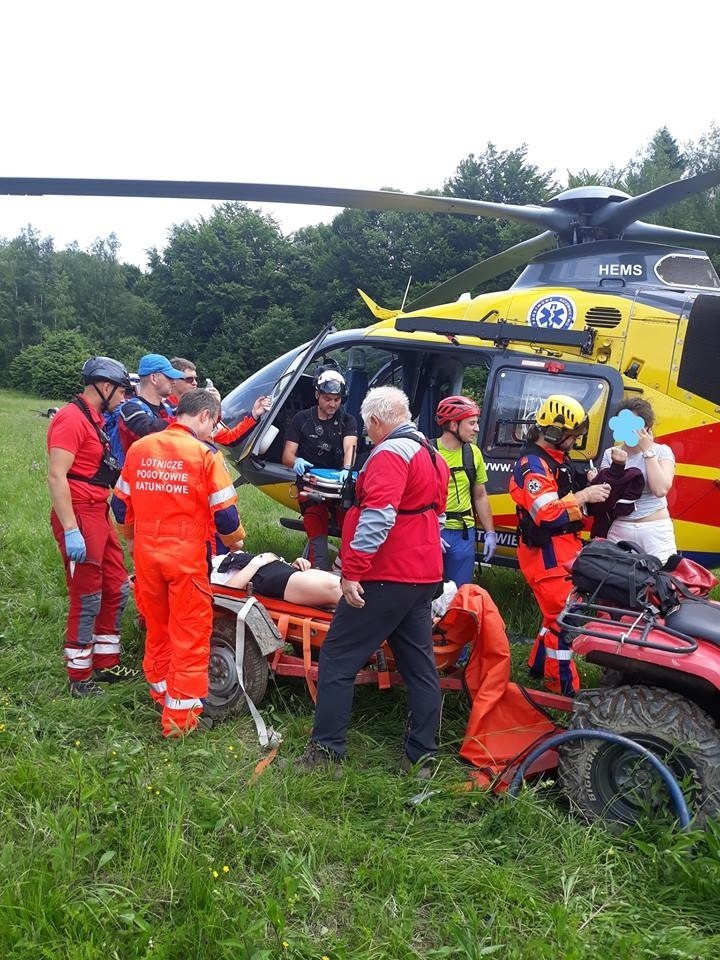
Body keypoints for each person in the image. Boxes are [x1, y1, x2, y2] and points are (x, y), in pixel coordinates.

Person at [295, 386, 451, 776]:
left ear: (377, 421)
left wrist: (352, 569)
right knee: (419, 667)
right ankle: (421, 756)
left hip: (386, 575)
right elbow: (440, 515)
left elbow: (378, 516)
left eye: (367, 426)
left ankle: (326, 753)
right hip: (422, 574)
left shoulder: (388, 455)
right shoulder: (433, 455)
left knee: (338, 658)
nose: (367, 434)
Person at [112, 389, 246, 737]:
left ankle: (161, 695)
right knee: (189, 637)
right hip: (186, 559)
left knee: (157, 628)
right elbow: (227, 516)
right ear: (203, 416)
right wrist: (235, 542)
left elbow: (120, 506)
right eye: (213, 423)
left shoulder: (140, 449)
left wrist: (130, 538)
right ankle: (180, 723)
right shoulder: (204, 455)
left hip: (146, 556)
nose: (213, 431)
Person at [509, 395, 611, 696]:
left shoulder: (555, 459)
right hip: (546, 554)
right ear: (553, 433)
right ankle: (564, 691)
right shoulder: (533, 466)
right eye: (572, 436)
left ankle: (538, 667)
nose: (575, 442)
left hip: (563, 547)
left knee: (556, 617)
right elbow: (546, 512)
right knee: (564, 624)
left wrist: (586, 483)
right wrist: (584, 496)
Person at [47, 356, 137, 697]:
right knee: (87, 594)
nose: (124, 398)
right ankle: (79, 675)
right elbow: (57, 475)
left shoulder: (95, 418)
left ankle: (106, 662)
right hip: (80, 511)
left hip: (97, 510)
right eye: (122, 391)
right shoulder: (71, 419)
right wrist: (70, 528)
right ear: (104, 385)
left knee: (116, 585)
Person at [282, 368, 358, 570]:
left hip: (339, 487)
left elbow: (350, 446)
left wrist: (347, 469)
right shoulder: (302, 419)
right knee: (317, 538)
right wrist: (296, 461)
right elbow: (287, 456)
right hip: (311, 485)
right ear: (317, 395)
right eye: (327, 399)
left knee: (352, 532)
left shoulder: (347, 421)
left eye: (336, 399)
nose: (332, 404)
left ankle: (341, 571)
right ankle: (318, 574)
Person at [599, 398, 677, 564]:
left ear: (647, 427)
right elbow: (607, 496)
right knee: (615, 583)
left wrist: (648, 451)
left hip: (655, 530)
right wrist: (616, 468)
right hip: (621, 527)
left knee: (663, 582)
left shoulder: (662, 451)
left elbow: (660, 490)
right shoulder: (610, 453)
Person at [434, 395, 497, 586]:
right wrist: (429, 532)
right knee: (426, 594)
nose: (477, 428)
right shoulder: (428, 452)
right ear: (453, 425)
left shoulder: (473, 453)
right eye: (471, 423)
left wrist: (490, 533)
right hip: (435, 532)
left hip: (463, 534)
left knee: (460, 594)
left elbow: (480, 495)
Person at [168, 356, 271, 446]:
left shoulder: (199, 407)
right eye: (189, 379)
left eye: (195, 379)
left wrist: (254, 415)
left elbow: (229, 438)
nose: (195, 383)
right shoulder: (163, 407)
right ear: (174, 380)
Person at [210, 551, 342, 607]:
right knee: (336, 588)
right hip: (270, 581)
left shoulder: (217, 557)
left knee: (342, 584)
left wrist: (291, 563)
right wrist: (257, 562)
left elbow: (267, 558)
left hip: (282, 571)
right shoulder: (207, 574)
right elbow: (226, 592)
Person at [116, 353, 183, 459]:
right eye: (169, 377)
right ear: (154, 378)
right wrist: (183, 422)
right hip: (133, 473)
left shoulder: (168, 408)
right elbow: (148, 430)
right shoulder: (129, 409)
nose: (174, 382)